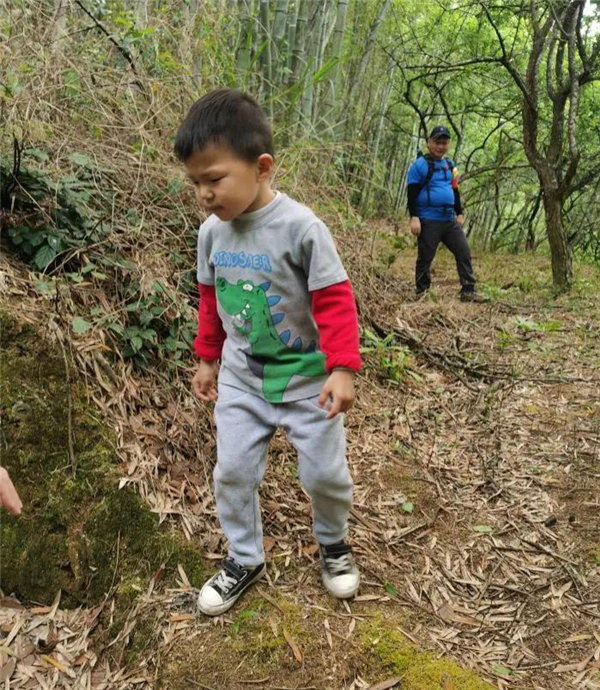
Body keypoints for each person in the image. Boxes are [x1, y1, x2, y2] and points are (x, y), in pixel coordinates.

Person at [174, 89, 362, 616]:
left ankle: (333, 543)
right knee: (231, 471)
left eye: (215, 179)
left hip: (307, 383)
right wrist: (207, 358)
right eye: (196, 183)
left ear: (262, 167)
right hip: (241, 380)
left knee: (325, 475)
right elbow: (210, 301)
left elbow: (334, 300)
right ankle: (244, 557)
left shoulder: (301, 228)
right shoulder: (211, 234)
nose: (205, 195)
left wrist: (343, 367)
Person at [407, 126, 484, 302]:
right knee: (425, 258)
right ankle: (422, 292)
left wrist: (459, 212)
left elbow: (454, 190)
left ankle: (468, 291)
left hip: (449, 219)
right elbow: (411, 193)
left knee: (463, 251)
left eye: (444, 142)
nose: (440, 146)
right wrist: (414, 217)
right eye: (437, 142)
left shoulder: (450, 165)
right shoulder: (420, 165)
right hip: (428, 219)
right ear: (429, 142)